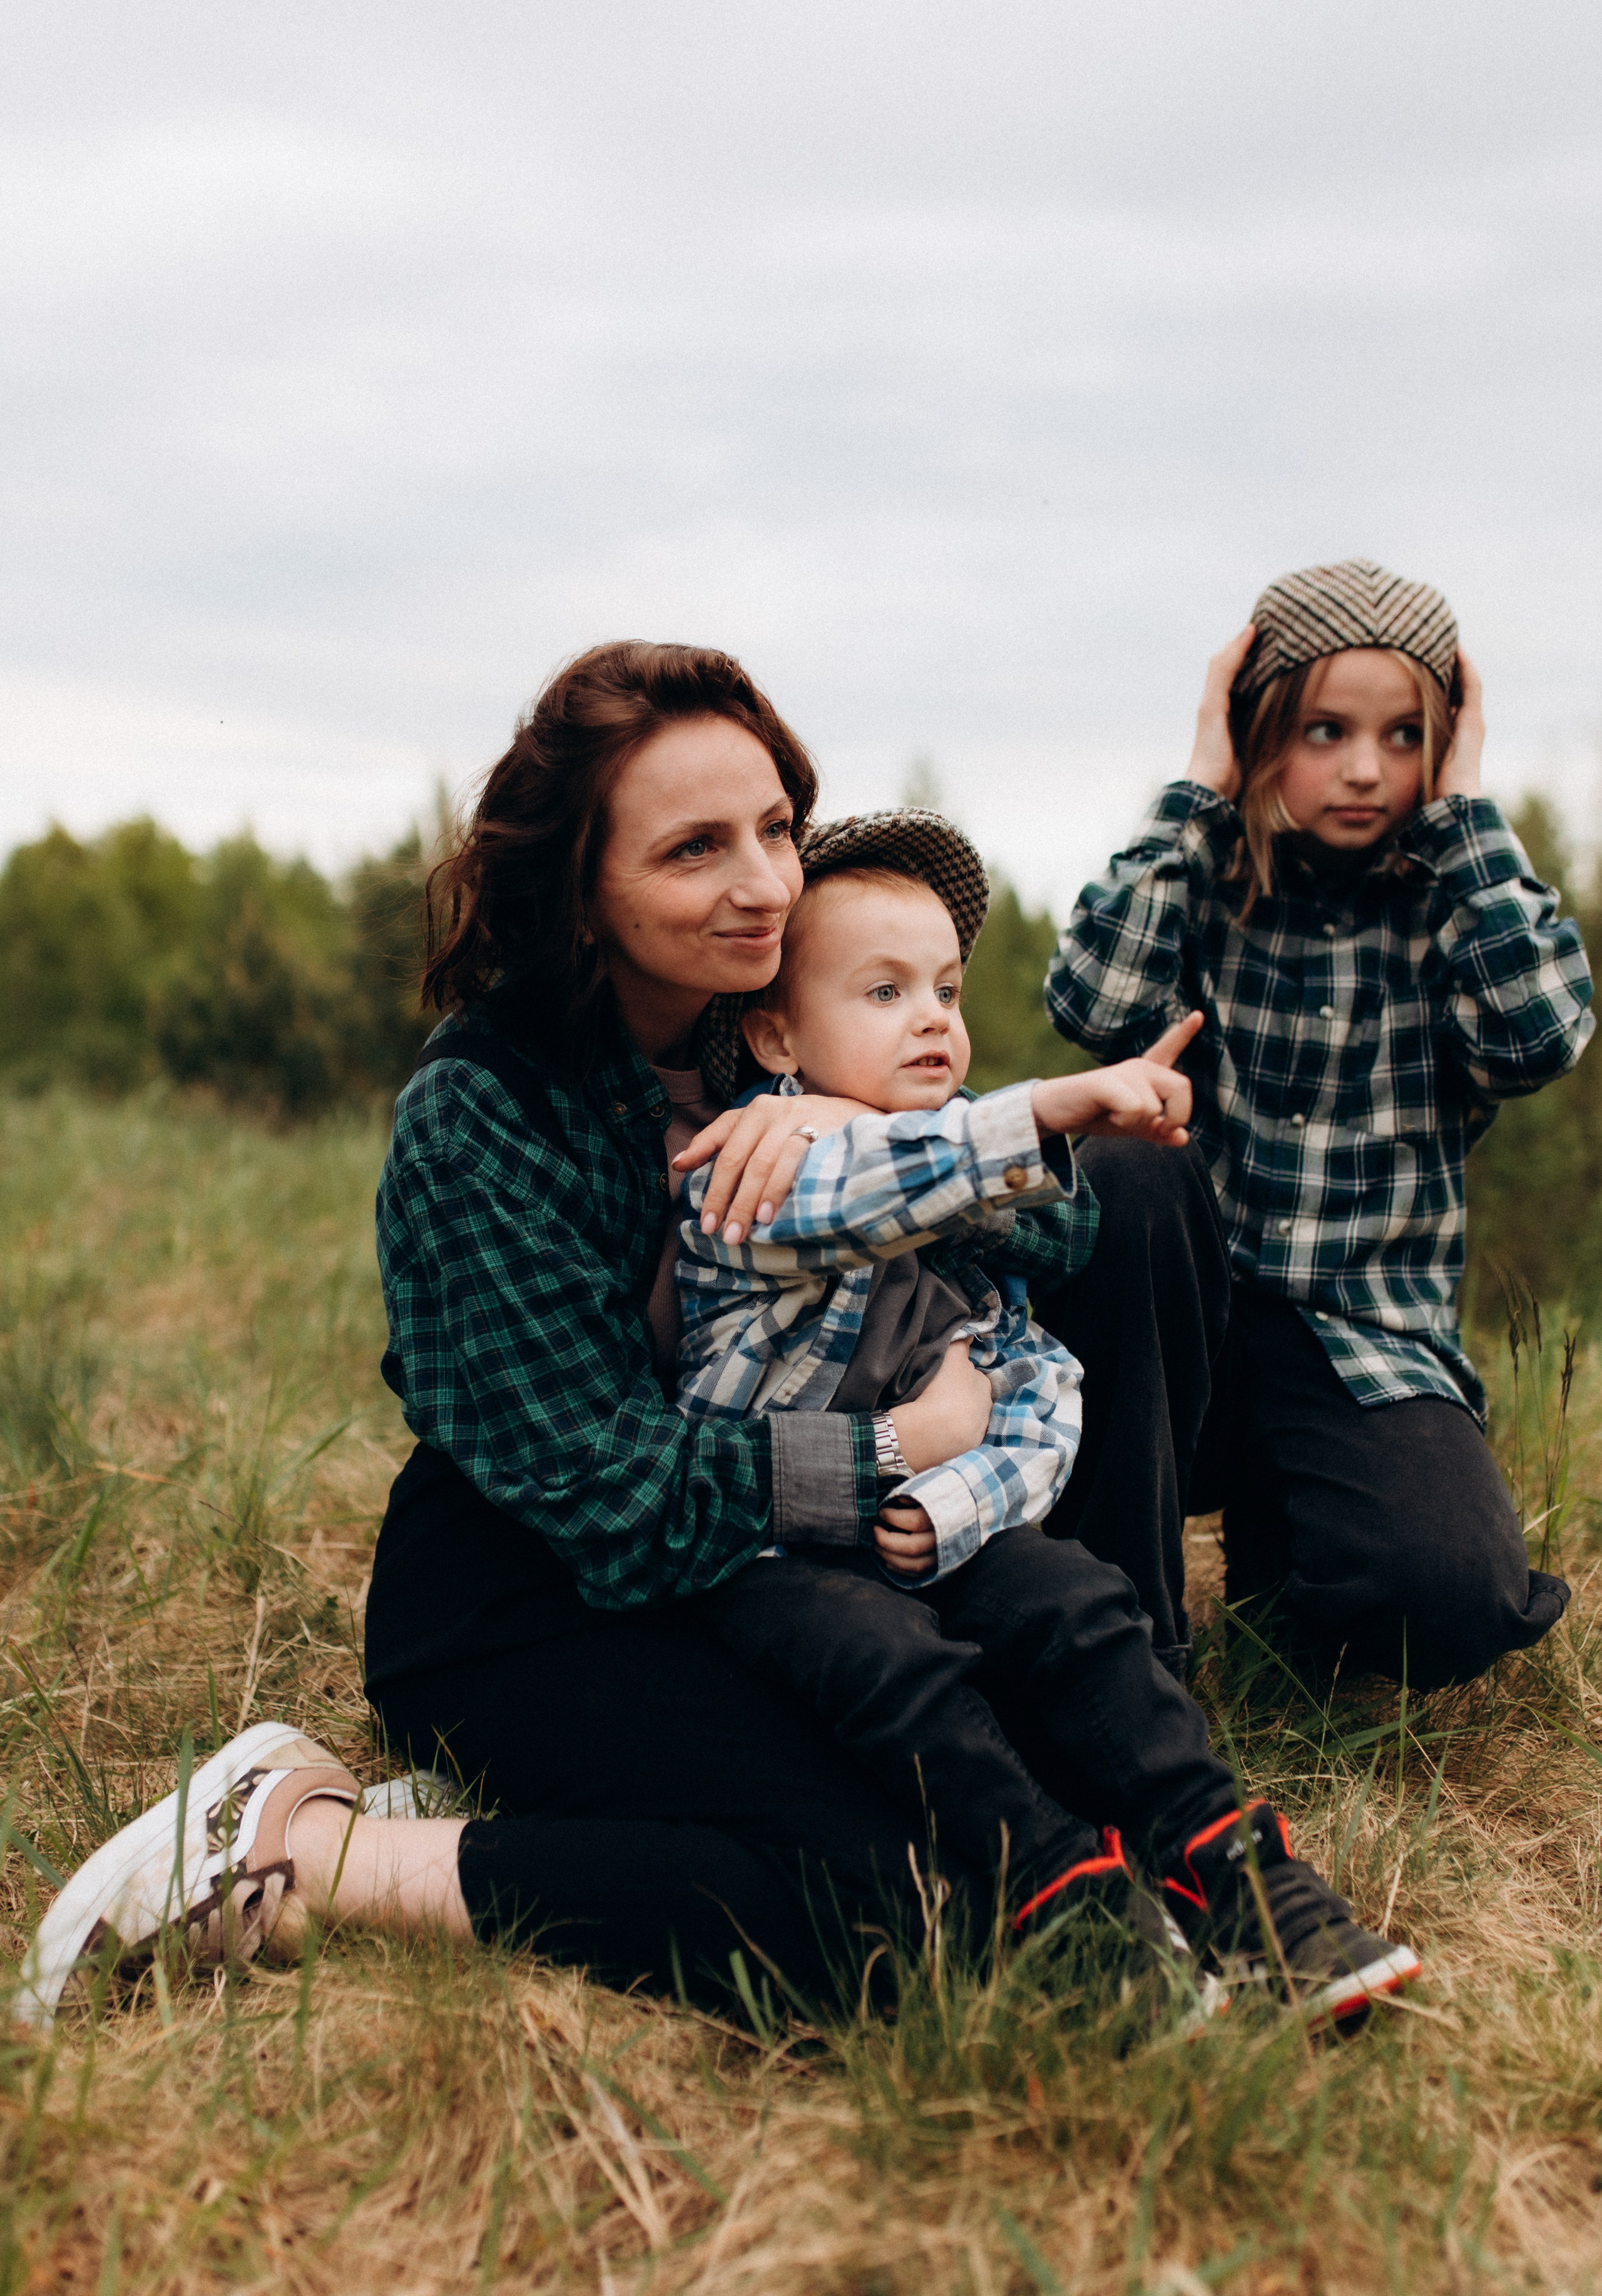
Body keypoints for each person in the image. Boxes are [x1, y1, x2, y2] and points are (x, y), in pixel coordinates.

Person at [10, 640, 1400, 2033]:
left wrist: (871, 1134)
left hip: (790, 1568)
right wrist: (894, 1452)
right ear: (584, 891)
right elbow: (612, 1496)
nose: (760, 882)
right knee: (888, 1913)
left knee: (1004, 1784)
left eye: (775, 829)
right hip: (537, 1587)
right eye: (692, 849)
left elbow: (1061, 1237)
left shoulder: (784, 1026)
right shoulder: (483, 1111)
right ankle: (309, 1850)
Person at [671, 812, 1420, 2018]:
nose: (933, 1017)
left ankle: (1228, 1860)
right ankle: (1063, 1895)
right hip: (770, 1547)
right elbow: (866, 1192)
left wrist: (955, 1500)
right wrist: (1045, 1107)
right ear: (774, 1032)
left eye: (948, 988)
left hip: (918, 1531)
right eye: (883, 990)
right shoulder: (754, 1166)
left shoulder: (963, 1230)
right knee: (892, 1667)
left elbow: (1038, 1396)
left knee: (1073, 1601)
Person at [1042, 559, 1595, 1690]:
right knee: (1121, 1168)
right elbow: (1090, 1004)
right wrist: (1201, 779)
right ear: (1260, 732)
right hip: (1170, 1335)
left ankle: (1293, 1574)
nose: (1362, 768)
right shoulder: (1199, 878)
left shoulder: (1454, 901)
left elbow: (1542, 1036)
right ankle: (1126, 1643)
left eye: (1402, 737)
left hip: (1362, 1342)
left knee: (1447, 1597)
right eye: (1325, 729)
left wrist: (1468, 820)